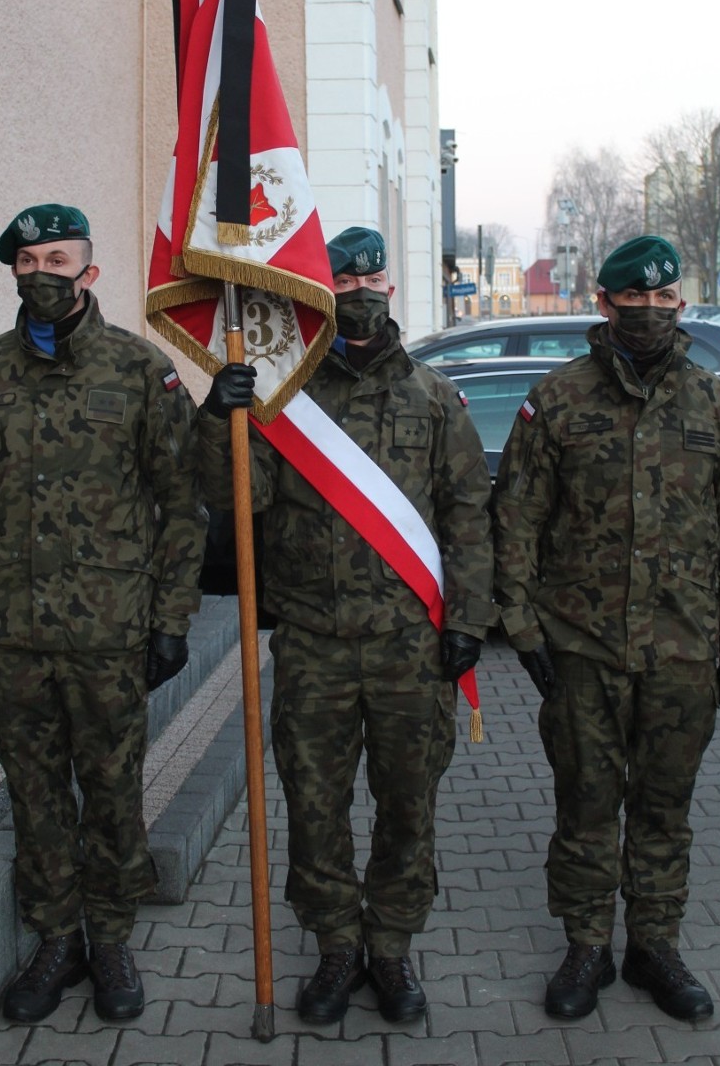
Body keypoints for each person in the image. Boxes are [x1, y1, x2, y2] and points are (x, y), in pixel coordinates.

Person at [196, 226, 494, 1025]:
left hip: (409, 648)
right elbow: (236, 502)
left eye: (373, 277)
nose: (360, 290)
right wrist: (219, 415)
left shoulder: (434, 398)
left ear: (390, 288)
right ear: (318, 295)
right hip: (314, 648)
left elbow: (468, 515)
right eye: (344, 280)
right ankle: (334, 947)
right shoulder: (281, 398)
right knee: (315, 806)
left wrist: (467, 619)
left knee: (408, 807)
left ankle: (391, 949)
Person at [0, 204, 205, 1024]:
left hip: (108, 633)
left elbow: (182, 503)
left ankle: (111, 937)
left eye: (59, 259)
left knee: (113, 790)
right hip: (10, 633)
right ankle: (57, 938)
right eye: (29, 260)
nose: (43, 273)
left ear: (89, 271)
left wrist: (172, 618)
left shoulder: (139, 373)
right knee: (35, 795)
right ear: (13, 270)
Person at [493, 235, 720, 1023]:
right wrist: (525, 628)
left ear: (679, 301)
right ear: (603, 302)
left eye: (663, 298)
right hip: (582, 649)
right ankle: (586, 947)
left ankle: (654, 946)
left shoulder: (713, 402)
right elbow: (516, 519)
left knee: (663, 809)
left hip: (683, 650)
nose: (649, 312)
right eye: (633, 300)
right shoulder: (560, 401)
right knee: (584, 805)